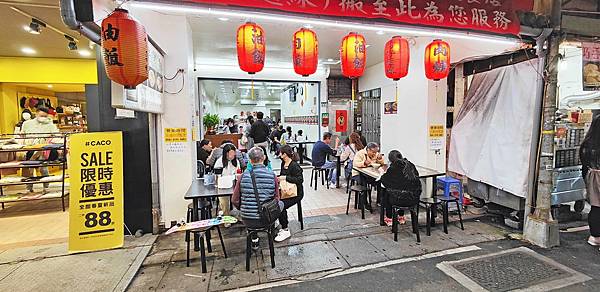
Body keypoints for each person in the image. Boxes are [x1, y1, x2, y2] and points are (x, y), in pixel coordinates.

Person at [232, 147, 283, 249]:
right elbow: (277, 198)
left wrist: (244, 208)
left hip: (247, 219)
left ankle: (254, 238)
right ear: (263, 158)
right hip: (267, 218)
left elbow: (234, 200)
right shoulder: (272, 175)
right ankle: (272, 231)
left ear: (250, 160)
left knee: (240, 212)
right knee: (281, 204)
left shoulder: (242, 176)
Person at [20, 107, 59, 192]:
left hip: (44, 149)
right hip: (30, 148)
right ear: (36, 114)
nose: (43, 118)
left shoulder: (50, 125)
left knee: (43, 167)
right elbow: (21, 135)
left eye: (45, 116)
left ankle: (46, 187)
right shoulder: (27, 124)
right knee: (30, 167)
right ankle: (29, 188)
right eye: (41, 115)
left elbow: (56, 136)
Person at [380, 150, 422, 226]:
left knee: (387, 193)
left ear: (390, 160)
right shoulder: (410, 165)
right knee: (402, 189)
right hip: (414, 198)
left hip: (400, 200)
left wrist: (382, 173)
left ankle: (389, 218)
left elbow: (385, 181)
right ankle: (401, 217)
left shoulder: (393, 168)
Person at [275, 145, 304, 242]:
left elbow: (300, 180)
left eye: (280, 153)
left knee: (280, 205)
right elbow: (282, 176)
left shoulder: (294, 165)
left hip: (296, 193)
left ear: (284, 154)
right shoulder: (283, 163)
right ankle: (280, 222)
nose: (279, 154)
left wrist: (285, 178)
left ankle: (285, 229)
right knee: (275, 202)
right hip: (286, 191)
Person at [581, 117, 600, 246]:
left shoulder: (587, 144)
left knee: (595, 207)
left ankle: (595, 237)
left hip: (592, 175)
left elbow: (584, 164)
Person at [214, 144, 241, 217]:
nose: (233, 155)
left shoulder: (236, 162)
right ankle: (226, 217)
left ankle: (240, 216)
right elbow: (217, 177)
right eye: (231, 153)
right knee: (224, 199)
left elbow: (238, 173)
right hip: (223, 186)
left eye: (234, 153)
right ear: (226, 153)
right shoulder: (219, 162)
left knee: (242, 196)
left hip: (234, 185)